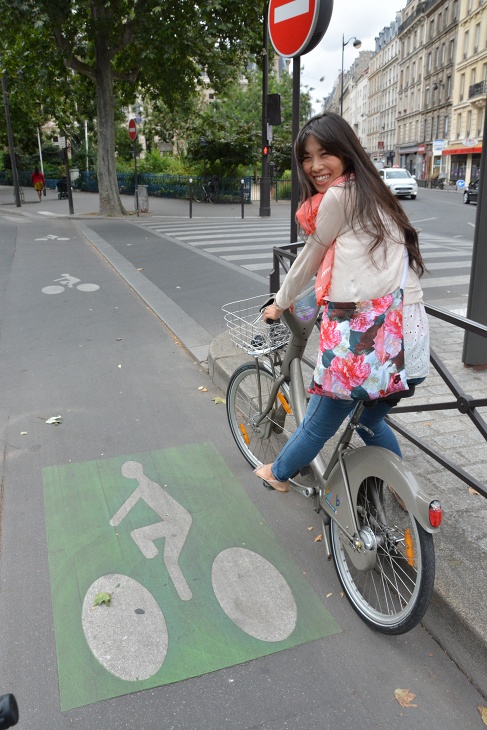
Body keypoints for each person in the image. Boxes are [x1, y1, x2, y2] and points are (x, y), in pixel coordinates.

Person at [255, 112, 429, 493]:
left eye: (325, 154)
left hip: (369, 342)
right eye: (306, 157)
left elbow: (310, 257)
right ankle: (401, 491)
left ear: (345, 152)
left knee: (319, 422)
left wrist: (280, 304)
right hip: (410, 343)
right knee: (369, 421)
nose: (315, 166)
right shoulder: (373, 189)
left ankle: (279, 473)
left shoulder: (339, 195)